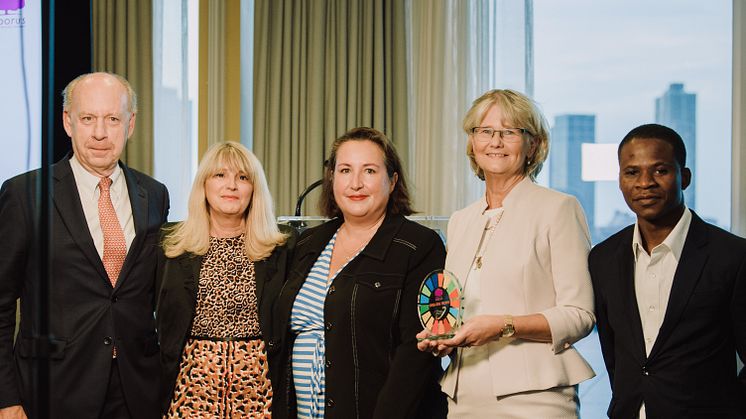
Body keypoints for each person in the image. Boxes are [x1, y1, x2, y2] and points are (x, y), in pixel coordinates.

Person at [0, 72, 170, 419]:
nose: (99, 133)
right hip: (52, 390)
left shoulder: (154, 194)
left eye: (112, 119)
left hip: (136, 390)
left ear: (130, 124)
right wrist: (6, 398)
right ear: (68, 122)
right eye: (88, 118)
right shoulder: (24, 195)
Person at [417, 89, 596, 417]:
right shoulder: (461, 221)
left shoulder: (559, 209)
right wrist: (443, 337)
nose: (495, 142)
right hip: (463, 395)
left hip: (537, 398)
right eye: (484, 131)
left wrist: (503, 325)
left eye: (510, 132)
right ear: (472, 143)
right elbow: (458, 308)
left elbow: (579, 315)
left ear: (534, 145)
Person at [269, 127, 447, 419]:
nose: (355, 183)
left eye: (369, 171)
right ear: (332, 179)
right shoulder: (305, 243)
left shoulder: (419, 246)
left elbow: (416, 353)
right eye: (345, 170)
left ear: (392, 180)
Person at [589, 123, 746, 418]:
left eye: (660, 171)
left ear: (684, 177)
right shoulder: (603, 259)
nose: (645, 182)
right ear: (620, 180)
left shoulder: (733, 257)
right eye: (632, 172)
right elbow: (614, 355)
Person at [156, 141, 295, 417]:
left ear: (254, 188)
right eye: (220, 175)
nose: (231, 185)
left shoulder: (284, 246)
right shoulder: (169, 243)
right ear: (203, 185)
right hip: (192, 388)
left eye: (242, 177)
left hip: (259, 390)